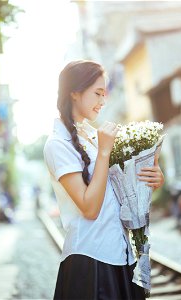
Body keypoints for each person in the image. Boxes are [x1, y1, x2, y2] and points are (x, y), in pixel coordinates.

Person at [43, 60, 164, 300]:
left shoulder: (92, 137)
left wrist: (151, 176)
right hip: (90, 261)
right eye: (97, 93)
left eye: (104, 94)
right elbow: (90, 208)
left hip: (120, 254)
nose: (103, 101)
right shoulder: (58, 144)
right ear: (75, 93)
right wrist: (105, 152)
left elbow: (116, 190)